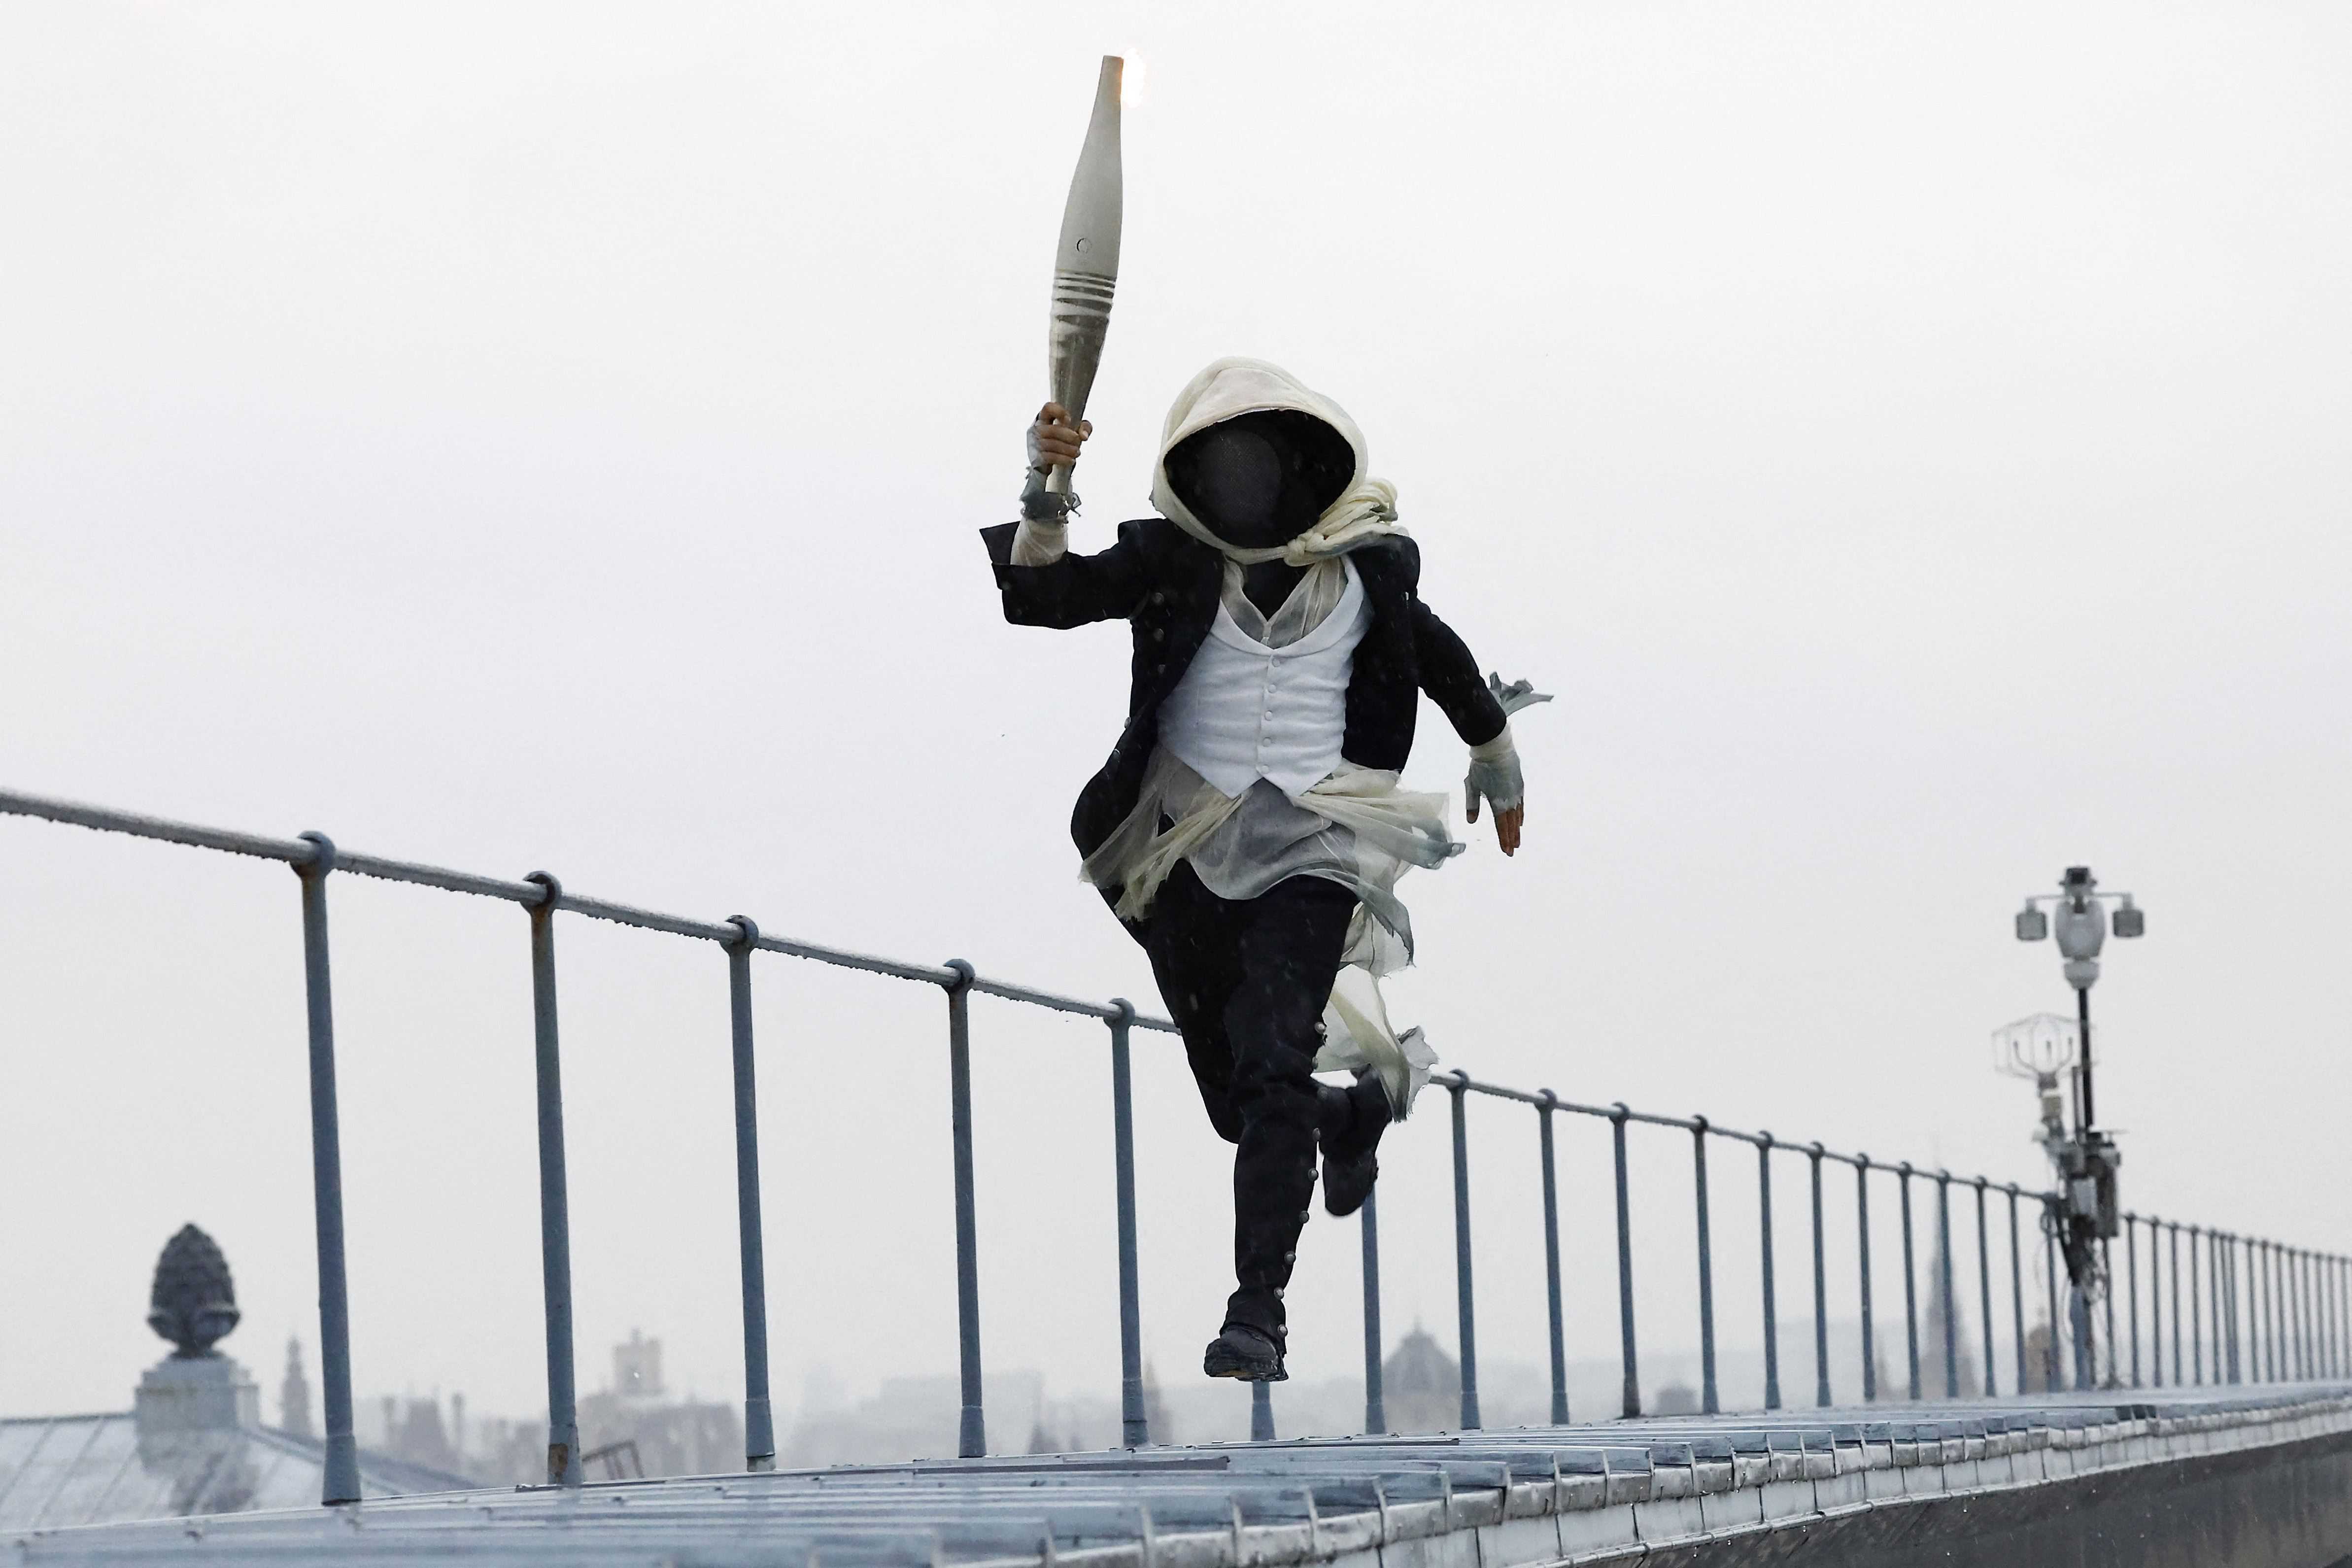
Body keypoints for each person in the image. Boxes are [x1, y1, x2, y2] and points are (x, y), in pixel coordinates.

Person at [979, 358, 1540, 1383]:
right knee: (1238, 1100)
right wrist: (1045, 486)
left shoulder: (1364, 571)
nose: (1243, 485)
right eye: (1221, 465)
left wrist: (1495, 757)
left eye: (1260, 463)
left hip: (1312, 848)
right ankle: (1346, 1115)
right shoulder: (1170, 561)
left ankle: (1257, 1309)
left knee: (1272, 1055)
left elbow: (1438, 657)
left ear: (1305, 465)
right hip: (1182, 846)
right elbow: (1041, 596)